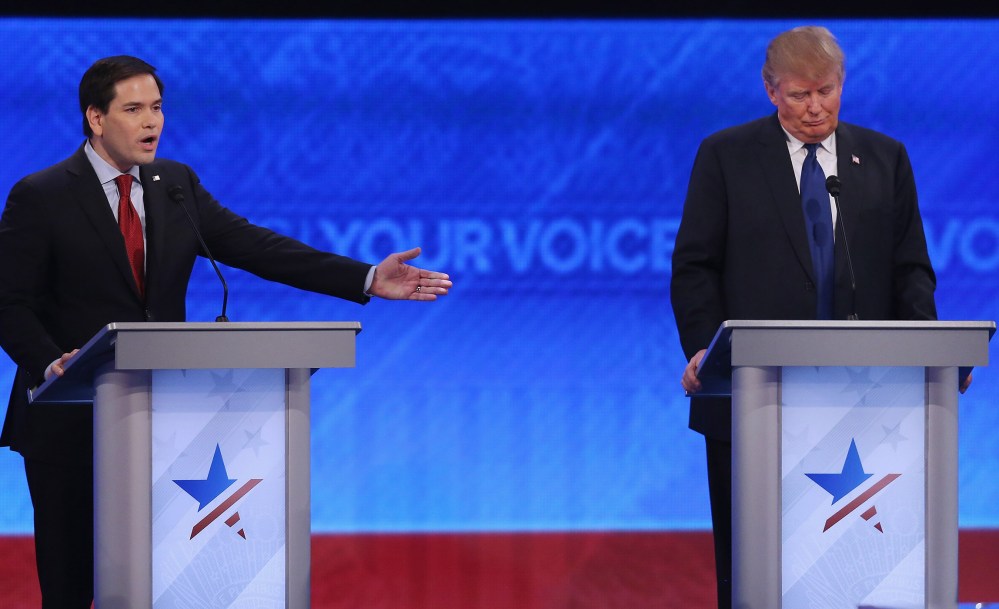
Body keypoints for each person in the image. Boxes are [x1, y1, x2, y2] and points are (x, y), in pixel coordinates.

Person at [0, 55, 452, 608]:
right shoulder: (42, 195)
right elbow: (10, 303)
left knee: (162, 585)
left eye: (158, 108)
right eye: (134, 109)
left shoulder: (176, 186)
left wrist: (364, 278)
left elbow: (255, 246)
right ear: (95, 118)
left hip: (162, 424)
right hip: (68, 425)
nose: (152, 123)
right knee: (71, 592)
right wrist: (51, 363)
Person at [670, 26, 942, 609]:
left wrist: (930, 351)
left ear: (841, 84)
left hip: (869, 401)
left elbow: (910, 269)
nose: (816, 107)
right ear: (771, 91)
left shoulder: (885, 157)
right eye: (799, 95)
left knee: (863, 572)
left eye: (826, 90)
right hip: (752, 397)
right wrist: (701, 349)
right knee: (754, 575)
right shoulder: (726, 155)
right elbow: (695, 267)